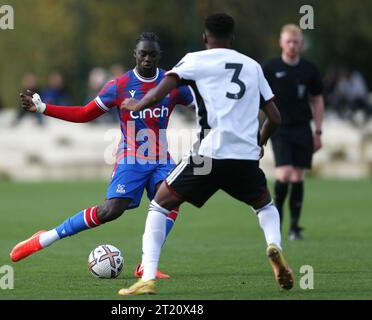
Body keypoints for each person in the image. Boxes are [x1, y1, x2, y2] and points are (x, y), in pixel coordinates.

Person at [118, 13, 293, 296]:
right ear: (232, 38)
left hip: (207, 156)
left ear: (204, 37)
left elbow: (158, 93)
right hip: (245, 157)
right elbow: (274, 116)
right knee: (265, 205)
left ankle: (147, 278)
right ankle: (274, 246)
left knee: (160, 204)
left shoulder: (194, 60)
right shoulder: (252, 66)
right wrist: (259, 143)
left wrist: (136, 105)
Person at [10, 32, 195, 279]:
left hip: (162, 159)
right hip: (131, 157)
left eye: (152, 54)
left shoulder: (171, 84)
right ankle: (46, 237)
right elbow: (86, 113)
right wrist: (43, 108)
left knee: (171, 200)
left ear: (159, 56)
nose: (148, 59)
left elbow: (200, 104)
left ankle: (146, 265)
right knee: (111, 211)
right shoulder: (119, 86)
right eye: (143, 54)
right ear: (135, 55)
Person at [263, 24, 324, 240]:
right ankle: (276, 224)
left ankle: (295, 228)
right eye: (288, 41)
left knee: (298, 176)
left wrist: (318, 131)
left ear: (301, 44)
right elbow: (258, 97)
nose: (292, 45)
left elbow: (317, 99)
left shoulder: (309, 70)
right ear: (281, 43)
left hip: (302, 128)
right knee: (284, 174)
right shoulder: (269, 68)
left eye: (296, 42)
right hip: (279, 127)